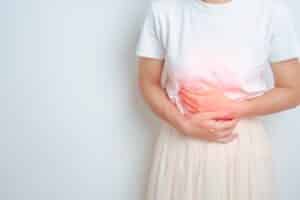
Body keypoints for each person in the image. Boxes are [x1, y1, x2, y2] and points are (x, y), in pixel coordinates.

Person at [136, 0, 300, 199]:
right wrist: (184, 125)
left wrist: (233, 108)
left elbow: (294, 89)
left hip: (240, 147)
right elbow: (148, 82)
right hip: (181, 143)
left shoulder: (271, 11)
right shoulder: (164, 9)